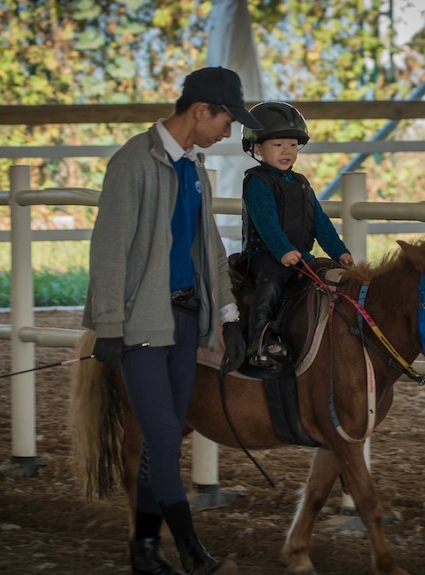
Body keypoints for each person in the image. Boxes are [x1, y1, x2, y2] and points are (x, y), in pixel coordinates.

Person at [82, 66, 260, 575]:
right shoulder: (132, 163)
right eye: (226, 120)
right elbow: (109, 251)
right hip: (140, 327)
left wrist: (226, 316)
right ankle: (191, 552)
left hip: (185, 322)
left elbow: (209, 248)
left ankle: (142, 548)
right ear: (200, 110)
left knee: (163, 440)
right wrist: (110, 326)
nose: (229, 131)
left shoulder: (195, 171)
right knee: (161, 438)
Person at [239, 101, 354, 373]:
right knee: (271, 285)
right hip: (267, 255)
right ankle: (261, 340)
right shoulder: (257, 183)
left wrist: (339, 251)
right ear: (257, 149)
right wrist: (283, 251)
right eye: (278, 145)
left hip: (300, 256)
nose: (287, 151)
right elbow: (266, 223)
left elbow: (320, 222)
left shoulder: (301, 183)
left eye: (292, 144)